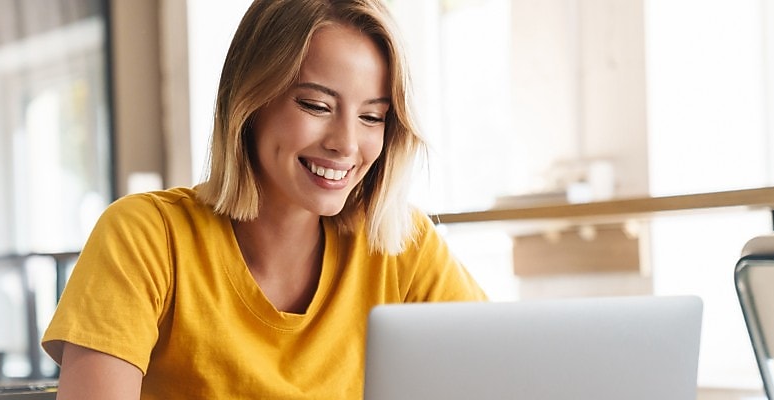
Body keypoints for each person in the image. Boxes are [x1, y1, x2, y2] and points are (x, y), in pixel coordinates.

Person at [41, 0, 487, 398]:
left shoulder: (402, 249)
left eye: (372, 116)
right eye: (316, 105)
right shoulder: (146, 236)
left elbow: (501, 371)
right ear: (248, 103)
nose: (347, 144)